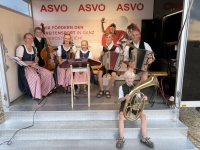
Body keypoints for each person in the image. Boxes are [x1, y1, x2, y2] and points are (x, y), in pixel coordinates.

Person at [116, 70, 154, 148]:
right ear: (124, 79)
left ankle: (144, 138)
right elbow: (120, 99)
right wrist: (125, 98)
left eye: (131, 78)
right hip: (124, 105)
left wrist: (143, 98)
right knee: (121, 116)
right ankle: (121, 138)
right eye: (127, 78)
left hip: (133, 105)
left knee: (143, 116)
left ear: (133, 79)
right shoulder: (121, 87)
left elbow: (138, 99)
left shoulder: (136, 87)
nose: (129, 80)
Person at [16, 33, 55, 100]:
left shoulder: (34, 48)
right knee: (36, 77)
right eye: (28, 38)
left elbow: (35, 58)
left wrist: (36, 59)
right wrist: (30, 65)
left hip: (34, 65)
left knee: (48, 74)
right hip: (25, 67)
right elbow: (19, 61)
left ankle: (44, 91)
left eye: (31, 38)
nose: (30, 40)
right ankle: (36, 94)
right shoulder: (21, 48)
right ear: (24, 39)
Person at [96, 32, 120, 98]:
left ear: (112, 38)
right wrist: (101, 55)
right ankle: (101, 89)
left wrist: (118, 64)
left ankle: (107, 89)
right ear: (105, 38)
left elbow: (119, 59)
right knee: (99, 73)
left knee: (114, 75)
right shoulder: (102, 47)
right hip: (104, 65)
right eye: (107, 37)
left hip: (112, 66)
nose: (108, 38)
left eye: (109, 37)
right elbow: (100, 60)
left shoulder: (116, 48)